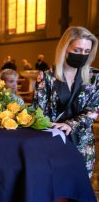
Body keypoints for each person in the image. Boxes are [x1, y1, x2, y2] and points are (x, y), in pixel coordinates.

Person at [33, 26, 99, 177]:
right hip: (54, 142)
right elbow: (38, 112)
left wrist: (70, 124)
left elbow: (94, 111)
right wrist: (52, 125)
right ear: (65, 48)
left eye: (86, 52)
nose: (82, 55)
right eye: (77, 50)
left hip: (82, 144)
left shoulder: (95, 77)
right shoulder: (46, 77)